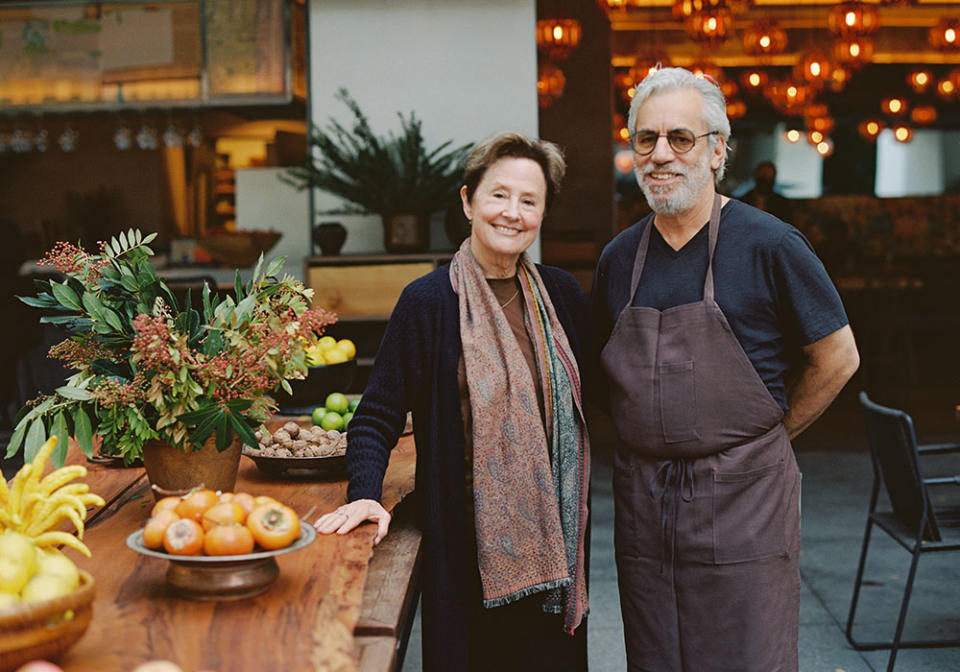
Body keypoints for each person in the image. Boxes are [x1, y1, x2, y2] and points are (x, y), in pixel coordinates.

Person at [592, 67, 859, 672]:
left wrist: (769, 437)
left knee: (746, 654)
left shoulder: (771, 244)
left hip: (744, 501)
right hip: (645, 505)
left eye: (681, 139)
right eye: (646, 139)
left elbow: (838, 356)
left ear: (717, 151)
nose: (661, 155)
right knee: (656, 654)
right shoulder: (618, 259)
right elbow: (605, 381)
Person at [315, 132, 591, 671]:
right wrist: (366, 493)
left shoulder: (562, 296)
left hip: (557, 552)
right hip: (464, 553)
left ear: (542, 214)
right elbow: (376, 415)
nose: (512, 212)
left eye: (529, 201)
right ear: (468, 202)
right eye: (499, 195)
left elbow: (599, 400)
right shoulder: (429, 302)